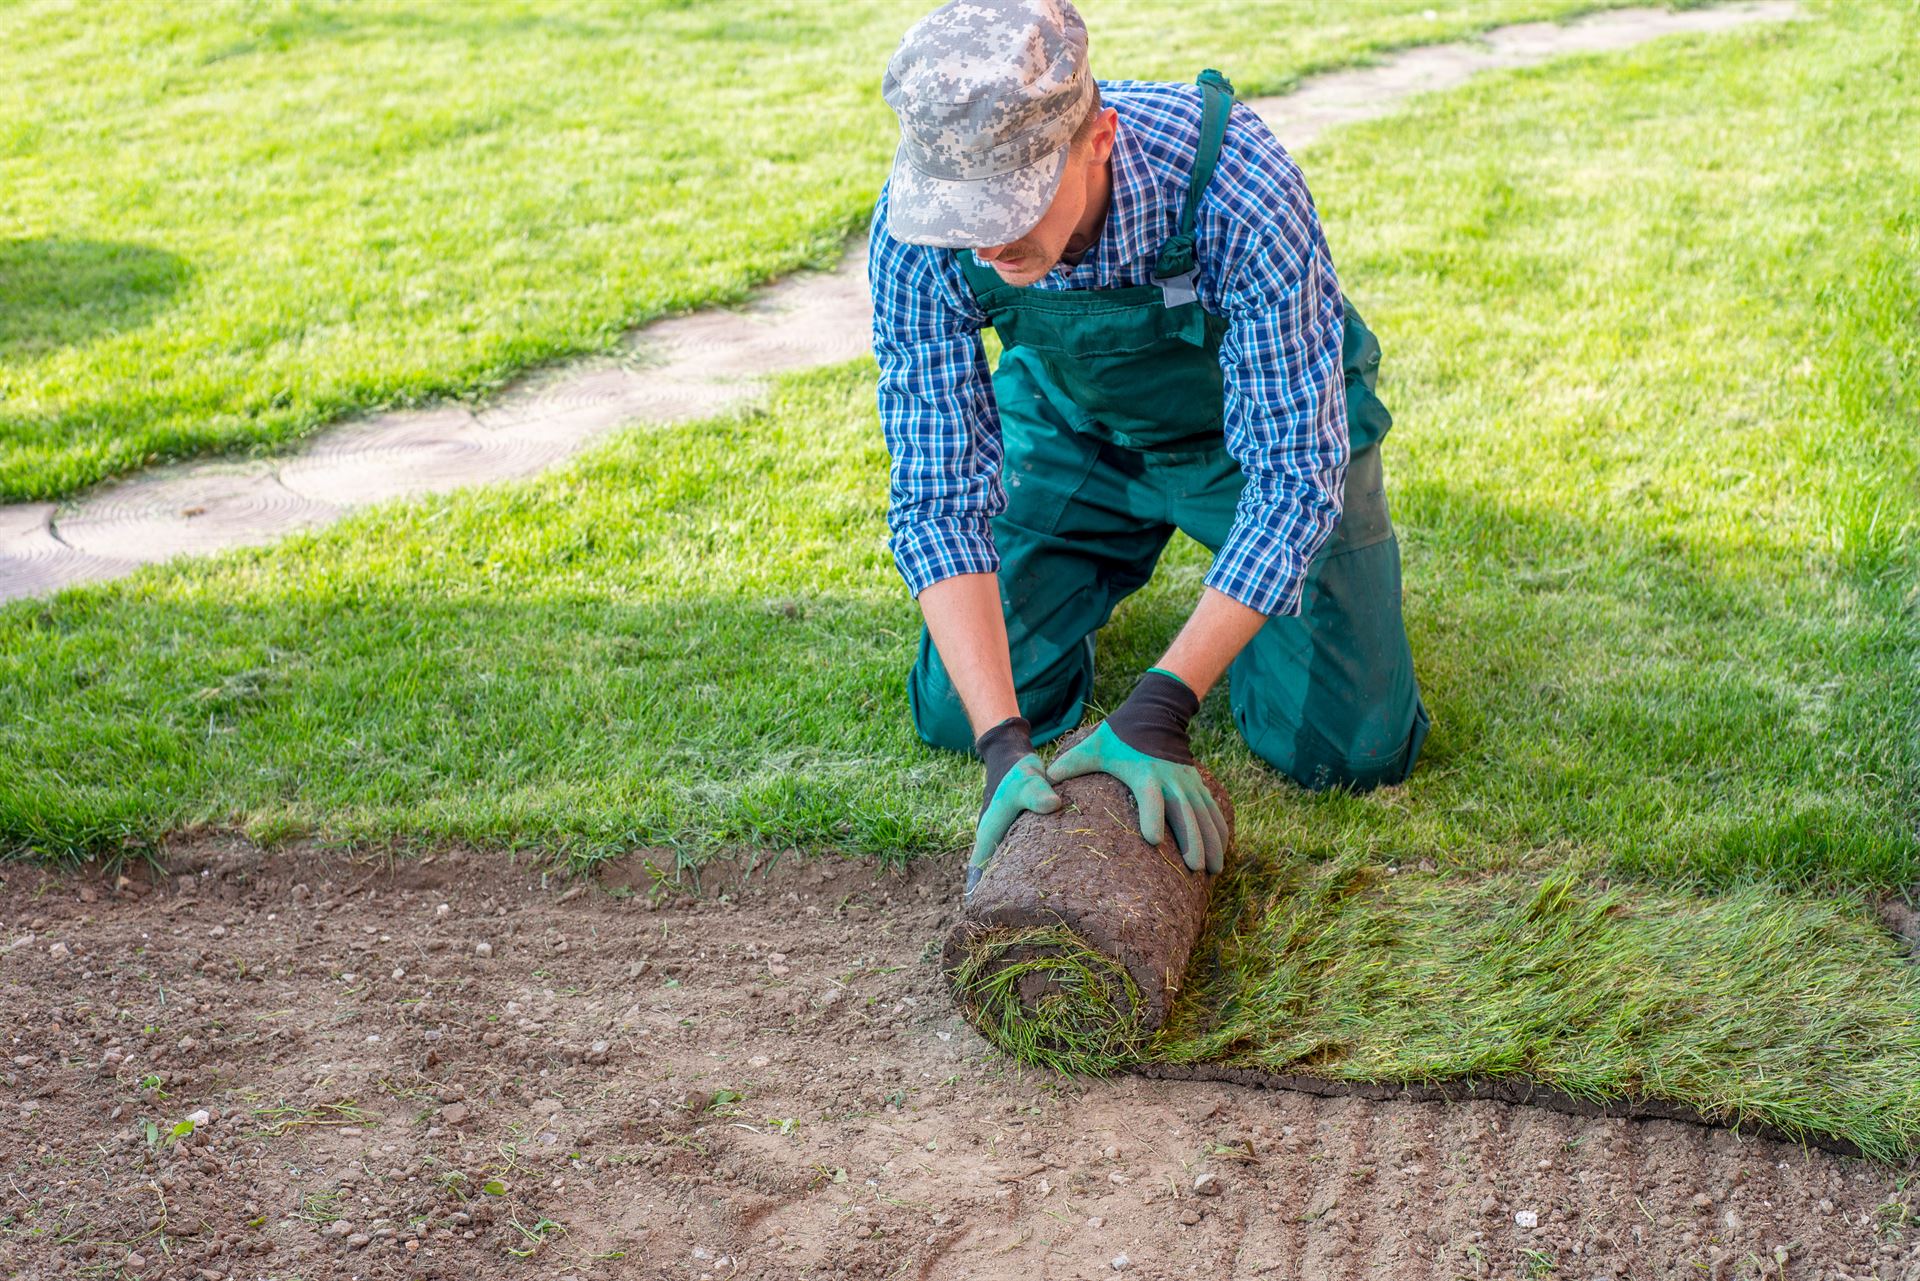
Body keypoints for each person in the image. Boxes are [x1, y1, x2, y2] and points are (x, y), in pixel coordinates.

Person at [869, 0, 1429, 893]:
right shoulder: (919, 231)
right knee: (954, 711)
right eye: (961, 209)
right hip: (1077, 430)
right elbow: (937, 496)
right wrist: (1004, 743)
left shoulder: (1234, 182)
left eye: (1011, 199)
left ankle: (1250, 639)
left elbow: (1293, 474)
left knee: (1345, 749)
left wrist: (1162, 704)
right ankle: (1104, 605)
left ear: (1098, 140)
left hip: (1252, 444)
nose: (984, 237)